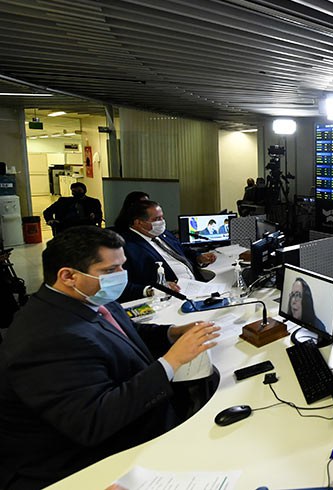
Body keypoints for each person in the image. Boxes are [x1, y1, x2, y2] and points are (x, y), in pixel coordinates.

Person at [0, 226, 220, 489]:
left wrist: (172, 333)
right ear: (68, 276)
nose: (121, 275)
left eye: (122, 266)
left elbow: (123, 332)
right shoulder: (48, 338)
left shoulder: (88, 297)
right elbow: (94, 421)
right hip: (87, 462)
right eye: (110, 270)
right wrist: (171, 362)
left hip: (137, 417)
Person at [119, 200, 217, 300]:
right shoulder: (125, 247)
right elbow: (124, 285)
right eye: (157, 219)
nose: (162, 222)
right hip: (169, 296)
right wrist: (155, 289)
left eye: (162, 217)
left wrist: (199, 258)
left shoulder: (163, 233)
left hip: (196, 286)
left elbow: (182, 250)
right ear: (138, 222)